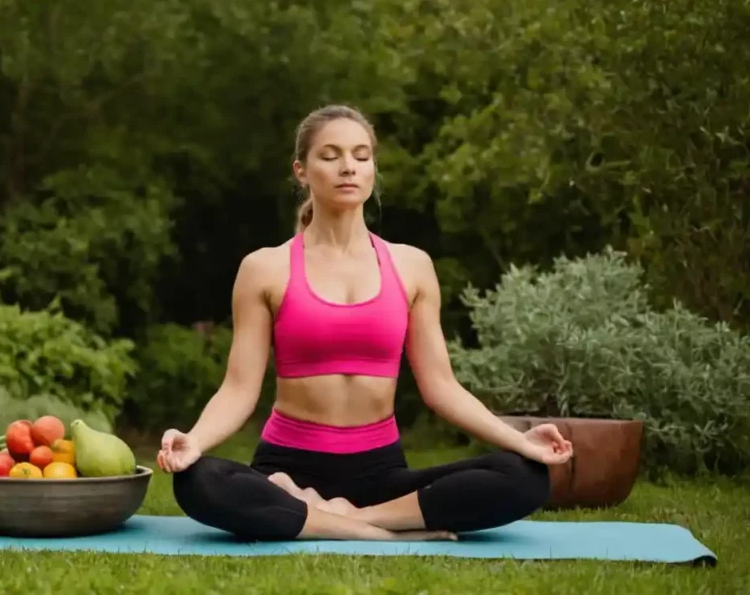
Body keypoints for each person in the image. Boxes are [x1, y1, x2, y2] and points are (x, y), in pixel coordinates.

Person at [156, 104, 574, 542]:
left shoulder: (412, 266)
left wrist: (520, 441)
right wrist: (196, 441)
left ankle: (336, 519)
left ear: (373, 166)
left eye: (361, 154)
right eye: (330, 155)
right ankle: (384, 529)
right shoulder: (265, 268)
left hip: (379, 474)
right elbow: (239, 389)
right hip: (286, 466)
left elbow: (442, 388)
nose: (348, 167)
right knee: (196, 481)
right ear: (301, 170)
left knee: (526, 476)